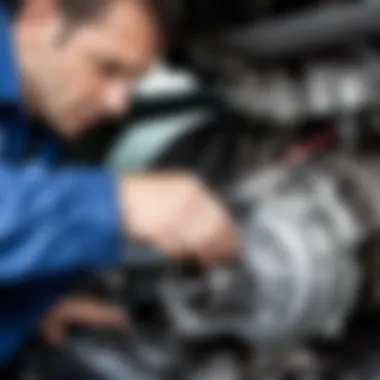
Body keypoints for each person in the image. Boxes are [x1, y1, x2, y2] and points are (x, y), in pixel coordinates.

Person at [0, 0, 239, 370]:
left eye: (132, 81)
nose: (118, 103)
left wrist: (26, 306)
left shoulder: (45, 110)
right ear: (40, 13)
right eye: (106, 68)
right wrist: (117, 202)